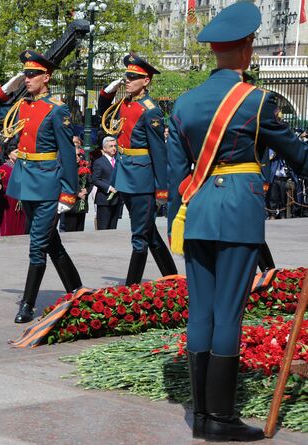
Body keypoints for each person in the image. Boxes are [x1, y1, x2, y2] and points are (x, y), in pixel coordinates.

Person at [166, 3, 308, 441]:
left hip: (196, 214)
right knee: (229, 314)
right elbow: (298, 156)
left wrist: (177, 222)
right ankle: (222, 420)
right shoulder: (256, 101)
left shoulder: (184, 103)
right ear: (247, 49)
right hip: (238, 214)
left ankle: (202, 417)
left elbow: (175, 177)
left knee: (202, 313)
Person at [0, 50, 82, 323]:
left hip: (48, 185)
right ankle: (77, 290)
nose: (27, 79)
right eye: (25, 74)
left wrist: (68, 192)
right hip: (26, 182)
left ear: (46, 77)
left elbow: (68, 154)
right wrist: (8, 87)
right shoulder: (21, 106)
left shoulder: (57, 109)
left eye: (32, 74)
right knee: (51, 241)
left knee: (37, 244)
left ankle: (27, 304)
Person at [98, 53, 177, 284]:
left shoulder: (150, 110)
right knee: (149, 232)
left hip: (142, 177)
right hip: (125, 173)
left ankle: (131, 287)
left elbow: (159, 152)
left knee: (140, 237)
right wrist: (107, 91)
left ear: (146, 81)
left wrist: (162, 188)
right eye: (127, 76)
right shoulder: (124, 103)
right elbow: (103, 108)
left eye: (134, 77)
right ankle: (173, 279)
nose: (128, 80)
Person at [92, 136, 121, 230]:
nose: (114, 148)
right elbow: (95, 179)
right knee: (103, 228)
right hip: (104, 200)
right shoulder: (99, 162)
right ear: (104, 148)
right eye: (111, 146)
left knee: (113, 228)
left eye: (115, 146)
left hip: (117, 200)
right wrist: (109, 188)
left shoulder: (119, 161)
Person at [0, 146, 27, 236]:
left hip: (22, 197)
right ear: (9, 155)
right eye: (16, 152)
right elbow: (3, 184)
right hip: (9, 198)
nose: (18, 154)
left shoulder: (22, 166)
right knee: (9, 219)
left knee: (21, 220)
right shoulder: (4, 167)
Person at [63, 146, 91, 232]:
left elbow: (91, 182)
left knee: (80, 230)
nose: (78, 157)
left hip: (82, 204)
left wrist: (87, 190)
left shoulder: (83, 167)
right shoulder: (65, 168)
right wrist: (77, 193)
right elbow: (64, 184)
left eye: (79, 155)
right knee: (70, 231)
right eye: (75, 155)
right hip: (71, 204)